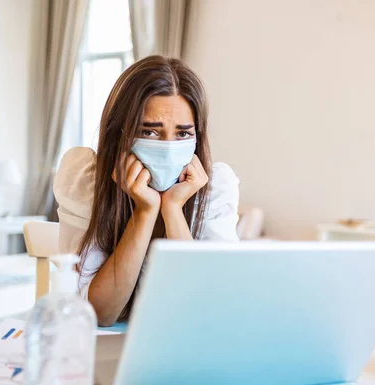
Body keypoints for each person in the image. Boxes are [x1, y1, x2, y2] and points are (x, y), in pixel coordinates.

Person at [54, 55, 239, 326]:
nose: (168, 146)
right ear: (120, 133)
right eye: (150, 133)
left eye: (183, 134)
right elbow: (100, 314)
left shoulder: (216, 187)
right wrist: (145, 211)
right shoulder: (87, 178)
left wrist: (173, 210)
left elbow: (208, 307)